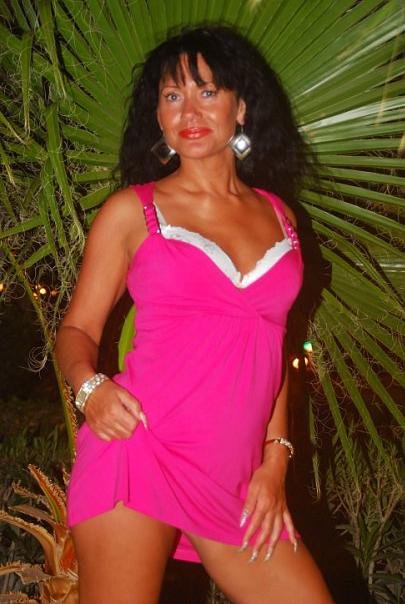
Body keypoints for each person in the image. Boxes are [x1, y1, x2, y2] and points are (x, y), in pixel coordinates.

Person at [55, 26, 334, 604]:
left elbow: (274, 347)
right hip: (138, 450)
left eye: (207, 91)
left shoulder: (280, 217)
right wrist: (90, 389)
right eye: (172, 95)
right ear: (157, 115)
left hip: (237, 477)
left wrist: (275, 461)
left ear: (241, 107)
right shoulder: (132, 211)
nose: (189, 111)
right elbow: (77, 329)